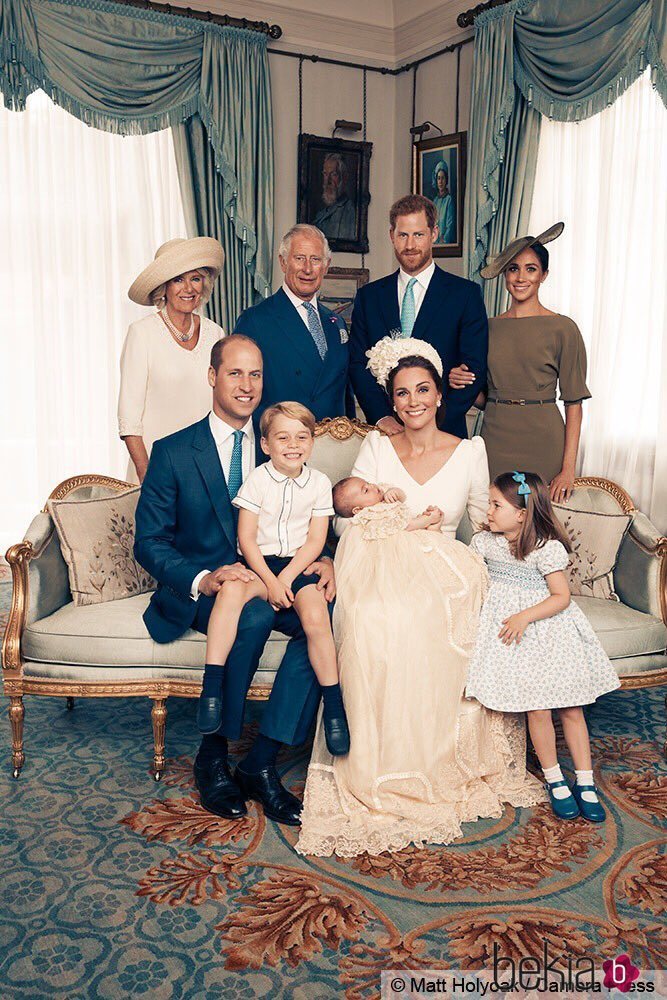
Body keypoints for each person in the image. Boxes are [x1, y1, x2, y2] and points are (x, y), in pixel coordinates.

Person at [296, 337, 543, 858]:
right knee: (374, 616)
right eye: (402, 392)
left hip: (445, 569)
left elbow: (483, 523)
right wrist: (329, 553)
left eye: (422, 390)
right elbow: (346, 511)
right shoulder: (376, 447)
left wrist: (518, 569)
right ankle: (374, 760)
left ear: (438, 396)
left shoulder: (470, 451)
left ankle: (431, 759)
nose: (412, 401)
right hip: (379, 560)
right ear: (392, 401)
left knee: (428, 613)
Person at [134, 335, 335, 828]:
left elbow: (304, 518)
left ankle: (261, 762)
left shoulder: (280, 447)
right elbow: (149, 541)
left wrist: (327, 558)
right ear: (212, 376)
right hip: (212, 593)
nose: (247, 386)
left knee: (328, 617)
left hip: (274, 576)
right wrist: (203, 579)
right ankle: (212, 753)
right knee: (252, 614)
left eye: (256, 375)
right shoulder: (174, 451)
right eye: (235, 373)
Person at [199, 401, 350, 757]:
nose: (293, 445)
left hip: (297, 565)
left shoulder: (319, 482)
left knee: (316, 612)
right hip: (259, 564)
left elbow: (315, 541)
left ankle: (334, 707)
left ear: (312, 442)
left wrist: (288, 578)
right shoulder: (257, 479)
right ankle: (212, 685)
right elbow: (247, 540)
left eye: (301, 437)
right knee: (232, 590)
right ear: (266, 444)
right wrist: (269, 581)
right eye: (283, 437)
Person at [466, 472, 620, 822]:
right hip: (514, 640)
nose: (488, 511)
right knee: (537, 709)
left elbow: (561, 597)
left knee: (570, 708)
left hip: (549, 633)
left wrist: (523, 616)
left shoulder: (545, 548)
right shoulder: (484, 543)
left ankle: (584, 780)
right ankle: (554, 779)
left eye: (496, 505)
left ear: (522, 513)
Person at [448, 223, 591, 501]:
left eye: (531, 268)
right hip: (495, 437)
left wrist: (568, 469)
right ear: (504, 274)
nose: (521, 277)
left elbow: (574, 404)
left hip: (544, 439)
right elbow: (483, 397)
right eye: (513, 268)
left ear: (544, 275)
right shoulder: (486, 328)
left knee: (538, 523)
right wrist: (459, 382)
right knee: (494, 518)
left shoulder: (564, 328)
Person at [349, 194, 488, 440]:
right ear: (392, 235)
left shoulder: (464, 294)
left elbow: (473, 369)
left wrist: (434, 421)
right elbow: (358, 366)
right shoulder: (369, 297)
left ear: (434, 233)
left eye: (418, 235)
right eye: (403, 235)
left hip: (445, 433)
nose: (410, 245)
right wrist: (383, 418)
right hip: (386, 434)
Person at [119, 237, 225, 484]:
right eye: (178, 279)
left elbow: (221, 408)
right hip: (155, 470)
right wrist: (148, 476)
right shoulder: (141, 333)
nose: (188, 289)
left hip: (204, 469)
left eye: (195, 278)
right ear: (163, 287)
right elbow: (129, 419)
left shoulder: (216, 334)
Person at [234, 224, 355, 426]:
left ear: (326, 265)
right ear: (283, 262)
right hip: (282, 445)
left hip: (335, 448)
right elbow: (240, 393)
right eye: (299, 258)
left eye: (315, 259)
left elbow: (345, 396)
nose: (307, 268)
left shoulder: (336, 324)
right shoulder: (255, 321)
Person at [313, 153, 356, 242]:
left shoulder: (350, 212)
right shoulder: (320, 214)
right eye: (325, 174)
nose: (328, 181)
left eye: (333, 174)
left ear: (344, 178)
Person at [432, 159, 455, 244]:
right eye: (438, 178)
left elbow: (450, 224)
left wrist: (444, 240)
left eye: (442, 178)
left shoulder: (449, 200)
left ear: (446, 180)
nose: (440, 182)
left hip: (444, 242)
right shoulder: (435, 201)